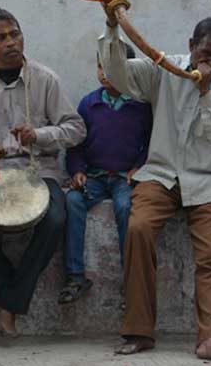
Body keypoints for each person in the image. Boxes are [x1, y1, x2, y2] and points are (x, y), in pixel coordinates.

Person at [97, 0, 211, 364]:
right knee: (138, 229)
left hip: (209, 179)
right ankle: (139, 331)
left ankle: (209, 338)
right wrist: (112, 26)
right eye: (204, 53)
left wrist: (206, 94)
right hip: (161, 174)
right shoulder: (162, 68)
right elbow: (116, 74)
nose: (209, 62)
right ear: (190, 45)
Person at [0, 7, 84, 337]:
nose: (11, 42)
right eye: (1, 37)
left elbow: (76, 128)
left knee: (55, 217)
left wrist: (39, 135)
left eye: (15, 34)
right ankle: (12, 291)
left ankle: (9, 299)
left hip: (40, 171)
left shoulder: (46, 80)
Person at [59, 45, 152, 304]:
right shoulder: (89, 104)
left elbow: (151, 144)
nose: (104, 73)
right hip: (95, 177)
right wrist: (77, 171)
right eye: (101, 66)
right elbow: (75, 145)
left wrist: (138, 168)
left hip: (125, 178)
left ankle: (130, 280)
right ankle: (75, 276)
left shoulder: (141, 106)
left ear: (129, 71)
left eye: (113, 68)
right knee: (73, 202)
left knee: (125, 208)